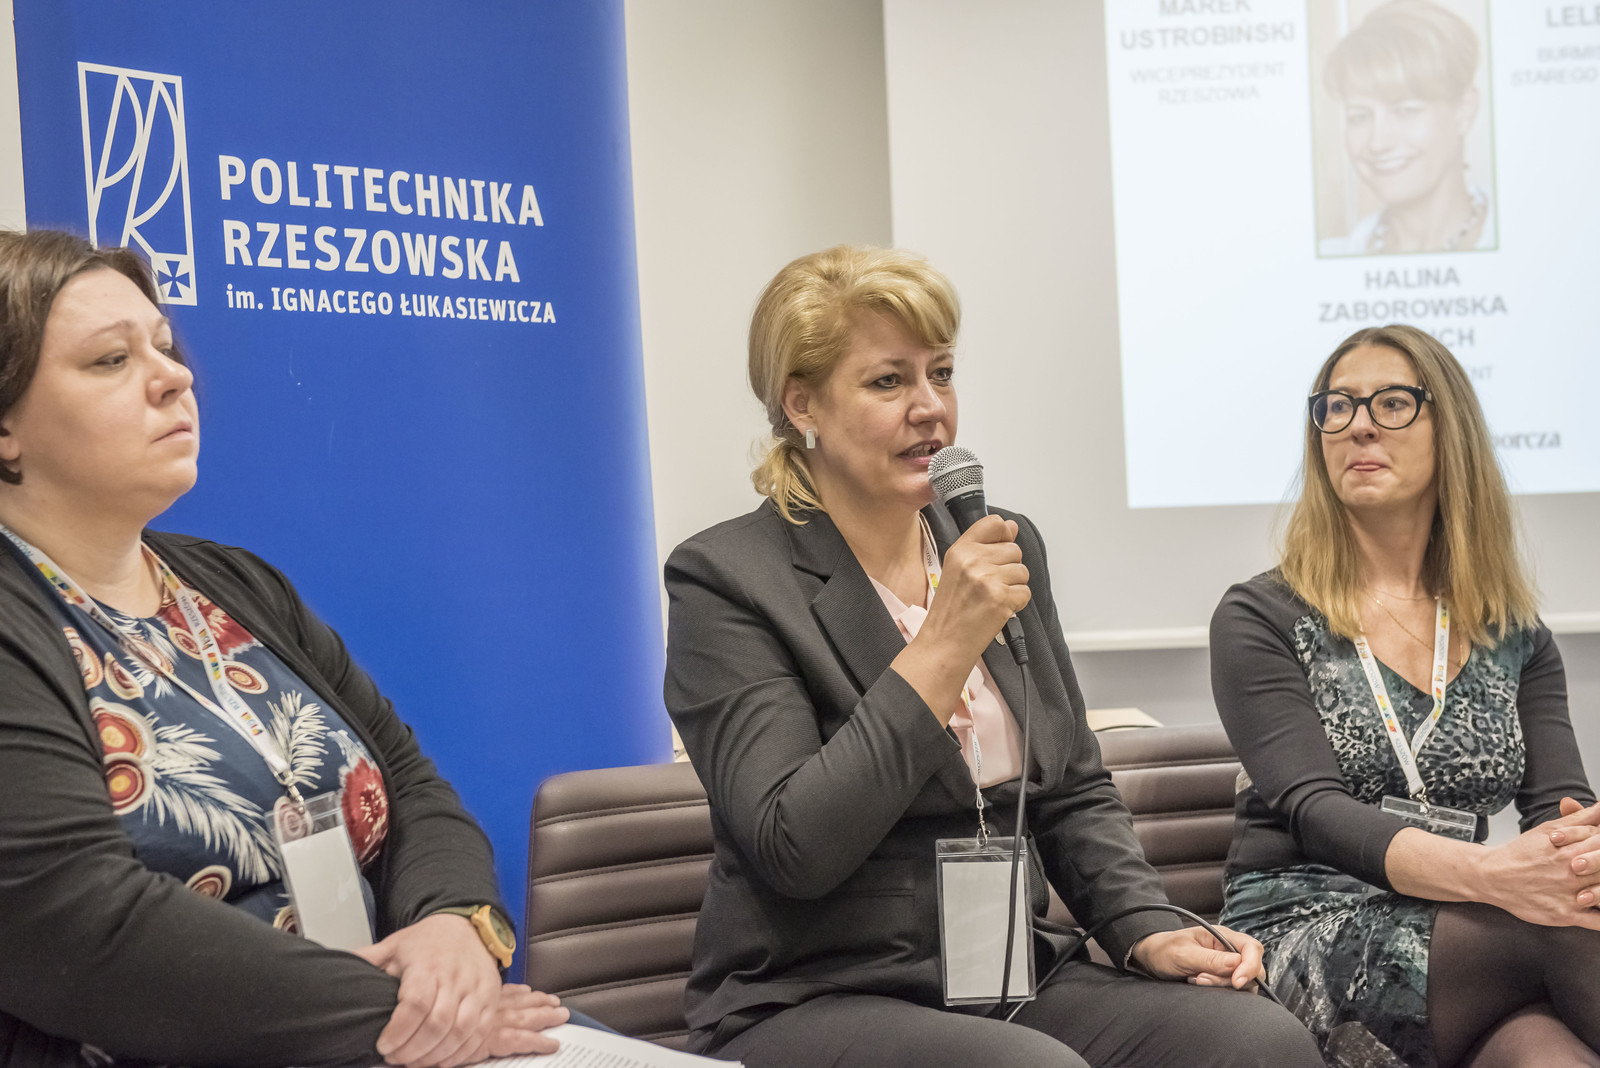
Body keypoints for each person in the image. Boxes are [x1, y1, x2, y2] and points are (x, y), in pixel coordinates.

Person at [662, 245, 1323, 1068]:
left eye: (940, 374)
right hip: (813, 991)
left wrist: (1144, 928)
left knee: (1257, 1041)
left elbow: (1071, 785)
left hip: (1007, 973)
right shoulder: (729, 578)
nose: (930, 408)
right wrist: (943, 643)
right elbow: (794, 845)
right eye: (888, 381)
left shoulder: (998, 544)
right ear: (803, 404)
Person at [0, 230, 577, 1067]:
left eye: (164, 345)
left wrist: (455, 927)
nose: (175, 377)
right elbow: (78, 925)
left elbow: (411, 783)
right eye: (111, 361)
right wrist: (408, 1016)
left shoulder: (234, 584)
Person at [1211, 324, 1600, 1068]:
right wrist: (1494, 878)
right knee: (1557, 924)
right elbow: (1315, 813)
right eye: (1338, 406)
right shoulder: (1261, 616)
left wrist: (1583, 856)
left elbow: (1562, 812)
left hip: (1468, 929)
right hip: (1307, 930)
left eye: (1392, 403)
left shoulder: (1513, 634)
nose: (1359, 425)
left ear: (1450, 431)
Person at [1318, 0, 1494, 257]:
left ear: (1464, 110)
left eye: (1405, 110)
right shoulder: (1331, 257)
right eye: (1359, 116)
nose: (1378, 143)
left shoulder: (1529, 237)